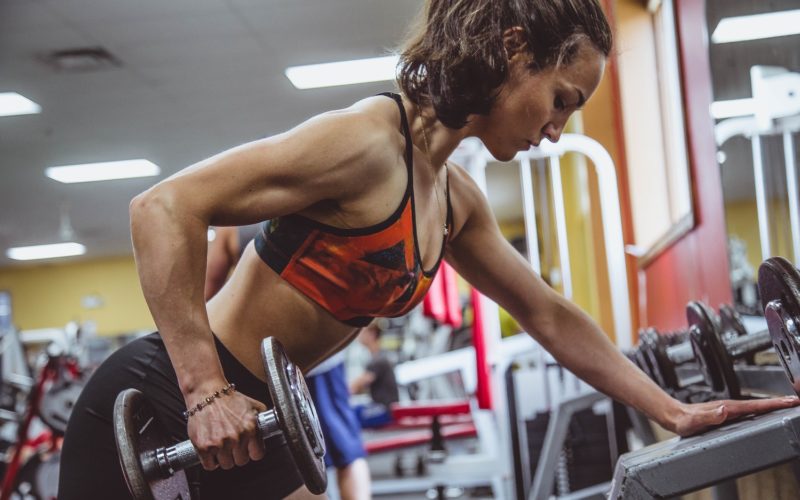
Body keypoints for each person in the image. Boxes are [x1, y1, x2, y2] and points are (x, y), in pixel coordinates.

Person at [58, 1, 800, 499]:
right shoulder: (364, 144)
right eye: (562, 99)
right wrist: (202, 389)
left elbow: (546, 312)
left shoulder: (450, 200)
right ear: (515, 50)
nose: (558, 128)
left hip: (256, 418)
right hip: (161, 400)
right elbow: (162, 208)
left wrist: (673, 410)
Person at [205, 225, 372, 500]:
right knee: (339, 449)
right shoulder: (304, 198)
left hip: (266, 358)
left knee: (296, 454)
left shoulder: (230, 224)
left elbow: (208, 295)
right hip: (308, 350)